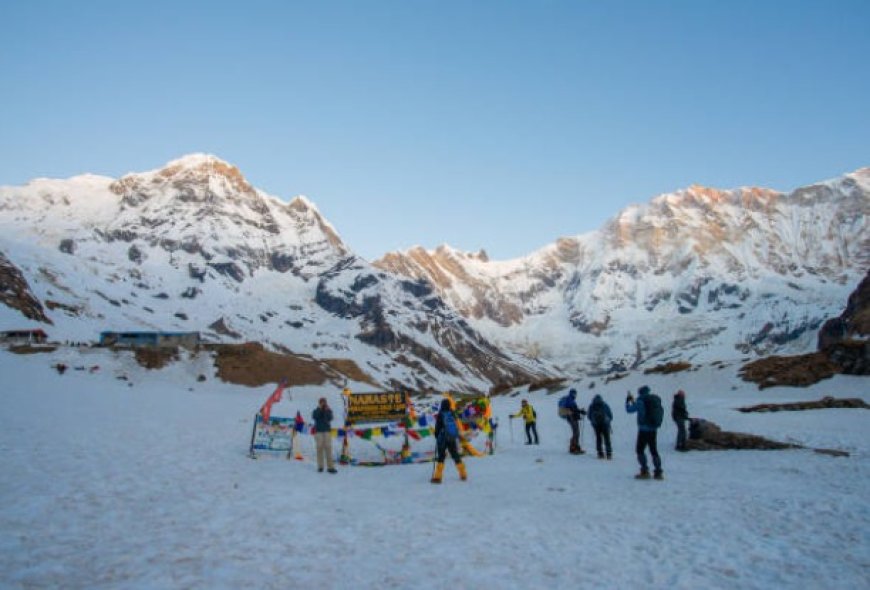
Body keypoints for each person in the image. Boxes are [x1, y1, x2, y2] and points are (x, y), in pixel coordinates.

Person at [626, 385, 663, 480]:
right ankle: (658, 472)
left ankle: (644, 471)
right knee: (653, 450)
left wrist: (628, 401)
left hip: (643, 429)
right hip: (653, 428)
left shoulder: (640, 401)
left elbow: (629, 410)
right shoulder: (654, 400)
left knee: (640, 450)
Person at [431, 398, 467, 483]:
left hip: (443, 438)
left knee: (441, 457)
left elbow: (438, 427)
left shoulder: (441, 414)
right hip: (451, 437)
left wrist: (436, 436)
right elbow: (456, 425)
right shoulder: (452, 413)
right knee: (455, 455)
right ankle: (463, 474)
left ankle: (437, 477)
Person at [312, 397, 337, 473]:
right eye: (322, 402)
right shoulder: (316, 410)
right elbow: (315, 416)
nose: (323, 403)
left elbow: (330, 418)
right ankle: (320, 466)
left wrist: (326, 411)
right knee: (319, 449)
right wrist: (319, 409)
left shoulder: (328, 410)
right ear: (319, 403)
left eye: (324, 402)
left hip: (327, 431)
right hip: (318, 431)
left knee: (328, 449)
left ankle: (330, 467)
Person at [558, 389, 586, 454]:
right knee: (576, 432)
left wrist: (579, 411)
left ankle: (575, 447)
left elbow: (574, 409)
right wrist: (580, 411)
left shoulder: (571, 400)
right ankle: (573, 448)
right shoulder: (570, 399)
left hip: (572, 417)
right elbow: (573, 408)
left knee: (576, 432)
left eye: (575, 394)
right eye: (574, 394)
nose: (575, 395)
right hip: (571, 417)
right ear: (572, 393)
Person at [587, 394, 613, 459]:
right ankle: (609, 454)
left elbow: (589, 416)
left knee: (598, 438)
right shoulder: (604, 405)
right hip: (605, 424)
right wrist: (608, 421)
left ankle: (600, 453)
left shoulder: (592, 406)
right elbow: (610, 415)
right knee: (607, 438)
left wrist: (593, 422)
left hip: (596, 425)